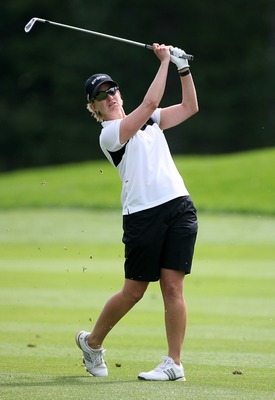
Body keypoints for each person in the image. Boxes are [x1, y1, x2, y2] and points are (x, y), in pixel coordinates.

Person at [75, 43, 199, 381]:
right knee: (134, 291)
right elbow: (150, 103)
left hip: (178, 206)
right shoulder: (110, 134)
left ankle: (174, 363)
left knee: (173, 288)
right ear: (95, 108)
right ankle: (93, 342)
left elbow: (190, 107)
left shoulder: (153, 121)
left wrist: (183, 68)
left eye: (112, 89)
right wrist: (164, 63)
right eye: (102, 95)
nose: (111, 96)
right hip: (142, 215)